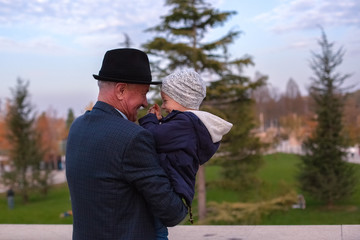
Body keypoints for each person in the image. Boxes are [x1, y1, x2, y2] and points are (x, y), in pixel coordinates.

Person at [66, 48, 187, 240]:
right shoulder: (133, 138)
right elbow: (172, 212)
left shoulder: (77, 127)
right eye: (143, 93)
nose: (145, 103)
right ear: (121, 90)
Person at [139, 69, 233, 239]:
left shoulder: (186, 123)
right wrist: (160, 122)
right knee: (155, 229)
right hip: (175, 188)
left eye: (166, 100)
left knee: (155, 231)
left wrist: (150, 120)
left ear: (182, 98)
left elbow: (152, 138)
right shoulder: (188, 124)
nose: (164, 106)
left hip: (169, 189)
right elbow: (166, 139)